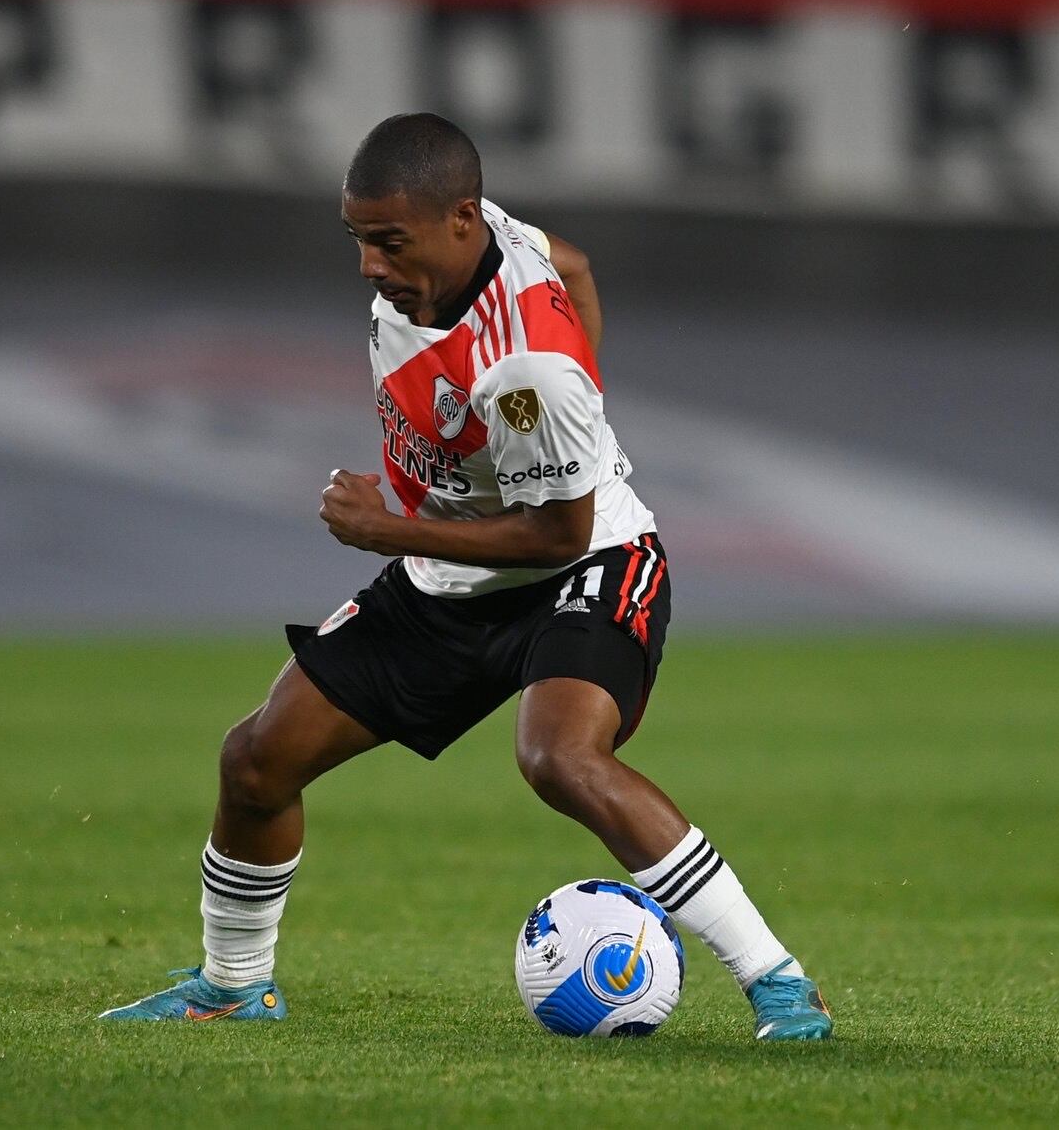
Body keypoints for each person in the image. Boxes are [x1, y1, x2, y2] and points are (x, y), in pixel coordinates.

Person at [100, 113, 832, 1040]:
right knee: (256, 761)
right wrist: (563, 431)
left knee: (559, 757)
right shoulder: (485, 234)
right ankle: (233, 985)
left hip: (588, 559)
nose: (369, 265)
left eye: (389, 242)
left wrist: (393, 521)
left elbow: (560, 531)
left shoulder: (526, 367)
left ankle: (778, 981)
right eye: (359, 239)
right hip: (450, 572)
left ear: (455, 221)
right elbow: (573, 263)